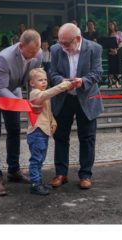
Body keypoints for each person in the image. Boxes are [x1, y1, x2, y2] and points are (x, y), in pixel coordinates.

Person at [0, 29, 43, 196]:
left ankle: (14, 170)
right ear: (21, 46)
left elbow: (31, 81)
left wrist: (33, 100)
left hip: (13, 88)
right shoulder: (4, 57)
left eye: (36, 52)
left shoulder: (38, 54)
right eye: (30, 53)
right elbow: (0, 89)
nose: (34, 57)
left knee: (14, 129)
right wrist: (23, 104)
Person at [48, 23, 103, 190]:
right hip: (64, 99)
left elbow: (98, 72)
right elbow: (52, 73)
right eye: (60, 42)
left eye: (65, 43)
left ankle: (85, 175)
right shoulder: (56, 49)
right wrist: (61, 82)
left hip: (86, 98)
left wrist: (83, 81)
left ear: (77, 39)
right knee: (60, 136)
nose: (62, 46)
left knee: (87, 138)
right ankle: (60, 173)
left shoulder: (94, 48)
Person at [26, 68, 72, 196]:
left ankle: (38, 181)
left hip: (43, 132)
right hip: (36, 133)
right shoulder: (35, 93)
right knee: (36, 159)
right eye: (40, 80)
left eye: (45, 80)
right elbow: (46, 95)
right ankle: (34, 184)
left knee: (40, 159)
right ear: (32, 83)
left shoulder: (42, 92)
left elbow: (47, 112)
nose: (44, 82)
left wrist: (53, 122)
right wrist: (62, 86)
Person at [107, 20, 122, 88]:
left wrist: (116, 49)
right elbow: (107, 43)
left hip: (117, 50)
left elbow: (121, 42)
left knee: (118, 67)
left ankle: (117, 82)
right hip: (110, 51)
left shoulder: (119, 32)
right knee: (111, 67)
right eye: (109, 25)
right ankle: (110, 82)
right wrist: (111, 49)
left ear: (115, 25)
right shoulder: (108, 34)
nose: (110, 26)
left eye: (112, 24)